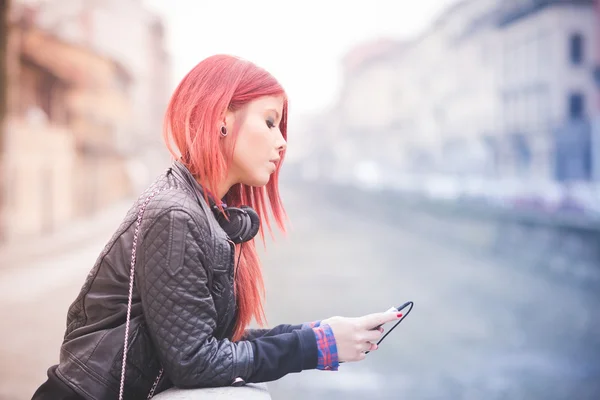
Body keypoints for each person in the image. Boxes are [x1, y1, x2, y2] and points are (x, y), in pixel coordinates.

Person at [32, 54, 402, 400]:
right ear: (222, 119)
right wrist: (315, 347)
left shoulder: (201, 211)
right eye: (270, 122)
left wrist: (319, 335)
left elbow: (203, 340)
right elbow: (196, 362)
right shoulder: (176, 216)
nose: (282, 141)